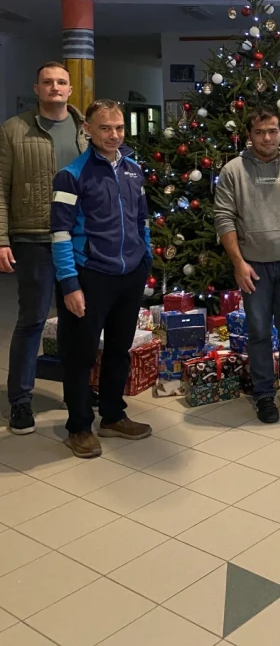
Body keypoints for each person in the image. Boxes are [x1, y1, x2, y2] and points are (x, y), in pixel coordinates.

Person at [51, 99, 153, 459]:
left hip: (129, 274)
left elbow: (141, 219)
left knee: (118, 350)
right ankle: (79, 427)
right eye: (105, 128)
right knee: (79, 355)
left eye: (119, 127)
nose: (114, 135)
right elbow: (60, 233)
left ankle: (112, 416)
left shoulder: (133, 170)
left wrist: (145, 258)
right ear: (88, 129)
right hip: (90, 276)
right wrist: (69, 283)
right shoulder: (71, 175)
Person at [215, 108, 280, 424]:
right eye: (260, 132)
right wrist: (238, 263)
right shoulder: (233, 171)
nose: (267, 138)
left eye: (273, 131)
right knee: (259, 331)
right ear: (249, 135)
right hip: (253, 268)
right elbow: (223, 217)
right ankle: (263, 394)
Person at [0, 62, 87, 435]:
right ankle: (20, 401)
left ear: (70, 89)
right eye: (48, 82)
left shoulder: (86, 130)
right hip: (34, 237)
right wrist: (2, 239)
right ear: (37, 89)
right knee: (33, 319)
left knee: (77, 319)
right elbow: (1, 187)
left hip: (79, 239)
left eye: (61, 82)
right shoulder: (14, 130)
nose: (55, 87)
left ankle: (77, 391)